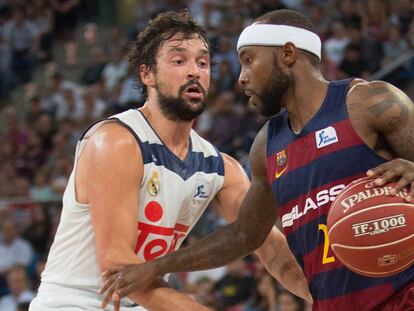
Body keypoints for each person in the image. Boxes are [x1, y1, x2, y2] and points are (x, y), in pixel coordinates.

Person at [101, 9, 414, 311]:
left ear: (288, 54)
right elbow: (245, 234)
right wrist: (157, 266)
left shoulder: (369, 103)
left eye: (249, 61)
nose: (241, 78)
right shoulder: (266, 145)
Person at [29, 11, 310, 311]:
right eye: (179, 61)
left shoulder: (219, 167)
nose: (194, 72)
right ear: (147, 74)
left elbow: (274, 250)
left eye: (202, 63)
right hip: (72, 303)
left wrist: (337, 296)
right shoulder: (115, 141)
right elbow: (118, 268)